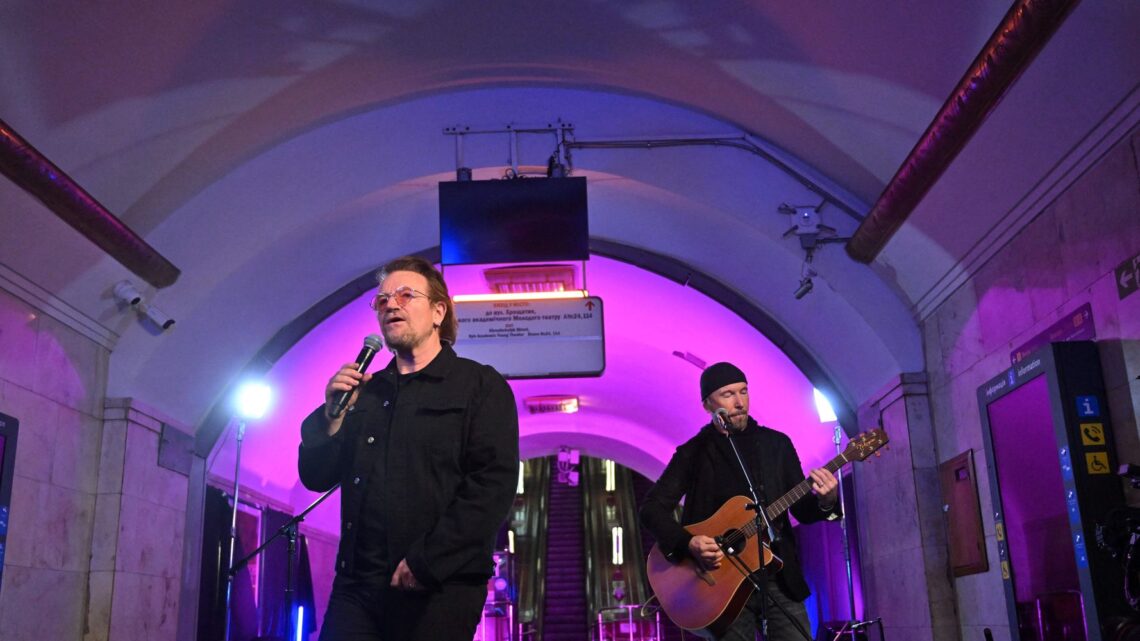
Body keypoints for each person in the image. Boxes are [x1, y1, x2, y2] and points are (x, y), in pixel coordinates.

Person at [298, 256, 520, 641]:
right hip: (357, 586)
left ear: (438, 311)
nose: (390, 305)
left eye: (405, 295)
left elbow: (490, 488)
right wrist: (332, 417)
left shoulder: (479, 386)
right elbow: (316, 476)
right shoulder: (365, 393)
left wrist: (426, 562)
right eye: (382, 300)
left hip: (439, 586)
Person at [640, 362, 840, 641]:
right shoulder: (693, 453)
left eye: (743, 392)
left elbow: (802, 510)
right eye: (727, 394)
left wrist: (827, 501)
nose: (738, 402)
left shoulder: (776, 445)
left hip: (778, 578)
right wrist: (689, 542)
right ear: (708, 404)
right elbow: (651, 509)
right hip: (721, 584)